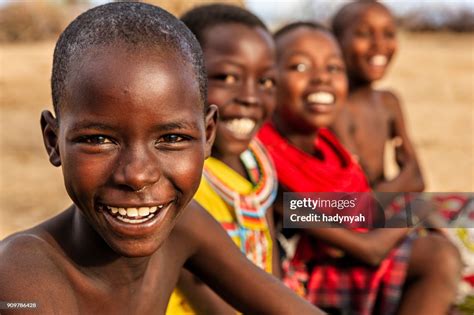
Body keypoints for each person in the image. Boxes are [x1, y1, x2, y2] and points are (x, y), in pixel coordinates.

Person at [0, 3, 322, 314]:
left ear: (208, 134)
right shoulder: (20, 281)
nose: (137, 175)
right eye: (98, 139)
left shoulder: (184, 225)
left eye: (171, 138)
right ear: (53, 141)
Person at [257, 21, 461, 315]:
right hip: (305, 284)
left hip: (342, 267)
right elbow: (369, 249)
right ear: (268, 81)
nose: (321, 79)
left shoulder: (331, 150)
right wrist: (414, 210)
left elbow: (360, 207)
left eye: (333, 68)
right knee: (439, 257)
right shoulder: (270, 169)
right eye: (300, 67)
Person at [166, 4, 279, 314]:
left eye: (266, 81)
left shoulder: (259, 161)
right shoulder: (177, 183)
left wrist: (415, 210)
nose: (251, 97)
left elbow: (343, 213)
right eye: (227, 76)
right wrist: (413, 211)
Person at [330, 0, 424, 193]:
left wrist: (405, 178)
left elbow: (418, 180)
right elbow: (358, 191)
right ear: (335, 42)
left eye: (388, 34)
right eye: (364, 34)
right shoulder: (336, 108)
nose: (379, 44)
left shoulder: (388, 101)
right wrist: (404, 177)